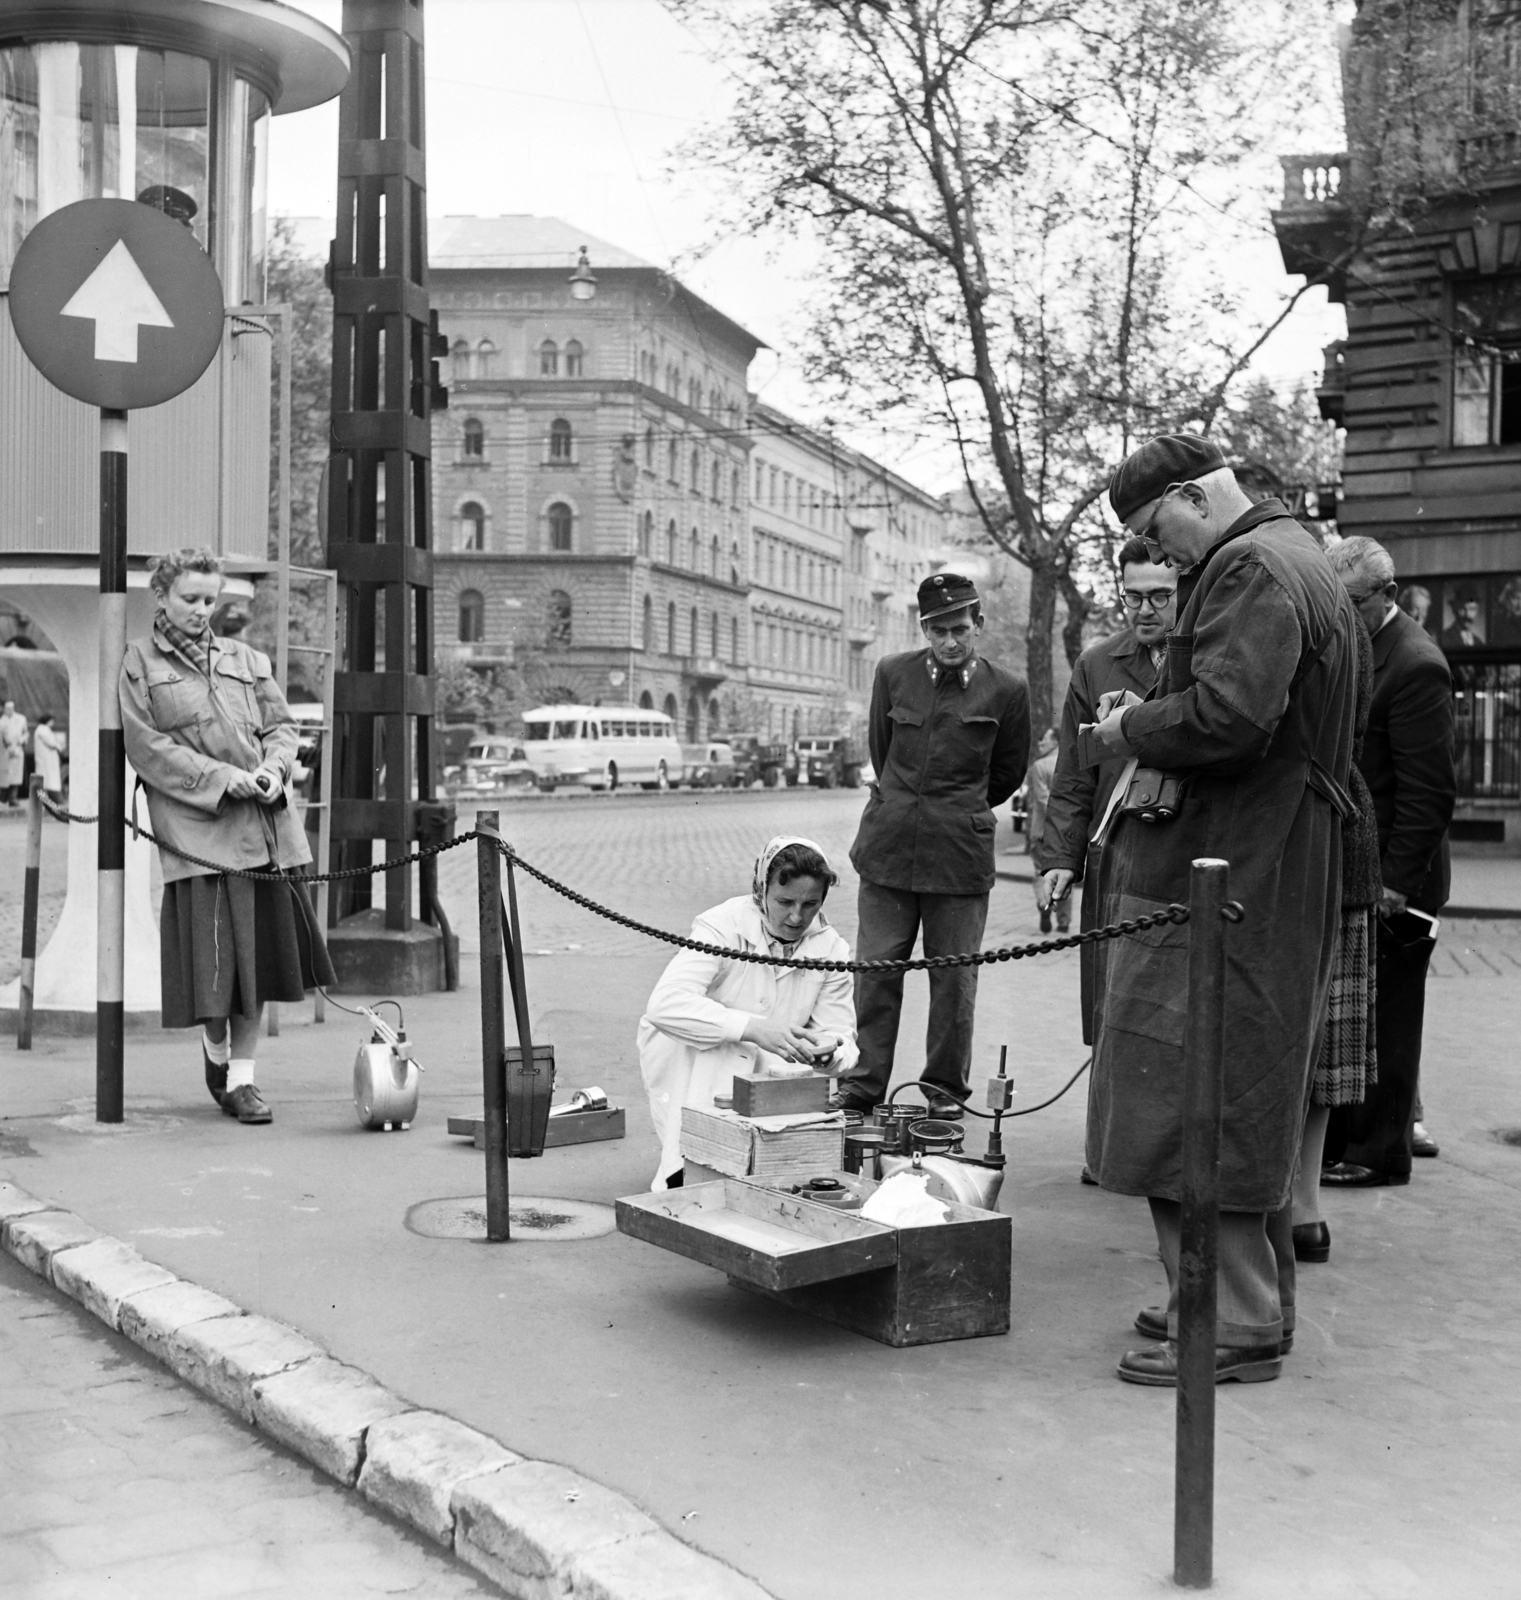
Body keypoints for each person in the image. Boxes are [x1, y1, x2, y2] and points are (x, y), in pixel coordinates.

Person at [1083, 435, 1359, 1388]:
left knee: (1186, 1085)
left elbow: (1231, 717)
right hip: (1268, 856)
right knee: (1237, 1081)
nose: (1167, 558)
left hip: (1230, 866)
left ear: (1194, 498)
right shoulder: (1303, 556)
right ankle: (1234, 1294)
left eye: (1159, 532)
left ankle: (1228, 1318)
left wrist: (1127, 727)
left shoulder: (1247, 564)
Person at [120, 547, 335, 1125]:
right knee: (215, 973)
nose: (202, 609)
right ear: (160, 596)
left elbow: (283, 727)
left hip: (265, 833)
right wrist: (226, 779)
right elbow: (147, 749)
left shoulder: (248, 658)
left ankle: (243, 1079)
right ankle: (215, 1048)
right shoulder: (138, 662)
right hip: (200, 837)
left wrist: (273, 768)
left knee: (257, 963)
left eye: (210, 599)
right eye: (190, 598)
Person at [840, 572, 1030, 1119]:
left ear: (979, 625)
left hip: (958, 859)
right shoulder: (892, 674)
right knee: (875, 975)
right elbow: (883, 750)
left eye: (961, 629)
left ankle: (944, 1094)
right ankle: (864, 1085)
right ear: (924, 628)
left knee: (953, 984)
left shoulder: (1006, 690)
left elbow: (1007, 775)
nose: (950, 641)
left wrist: (956, 809)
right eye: (939, 630)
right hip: (889, 853)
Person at [1322, 536, 1456, 1187]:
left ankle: (1381, 1154)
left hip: (1399, 882)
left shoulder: (1415, 665)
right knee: (1361, 1013)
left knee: (1390, 1020)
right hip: (1369, 871)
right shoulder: (1364, 647)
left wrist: (1395, 884)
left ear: (1389, 595)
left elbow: (1428, 793)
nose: (1343, 615)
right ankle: (1356, 1141)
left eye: (1353, 603)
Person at [638, 837, 857, 1189]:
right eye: (785, 902)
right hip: (695, 1053)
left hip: (771, 1063)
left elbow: (842, 1036)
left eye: (810, 904)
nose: (797, 916)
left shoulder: (832, 948)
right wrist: (753, 1028)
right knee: (697, 1167)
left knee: (778, 1176)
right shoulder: (722, 925)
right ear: (760, 891)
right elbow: (665, 1004)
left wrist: (829, 1051)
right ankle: (687, 1170)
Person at [1036, 537, 1175, 1036]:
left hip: (1179, 860)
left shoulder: (1204, 658)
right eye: (1132, 596)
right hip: (1113, 858)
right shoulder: (1096, 665)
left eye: (1160, 595)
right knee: (1109, 1007)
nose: (1144, 610)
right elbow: (1074, 775)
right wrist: (1059, 859)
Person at [1023, 729, 1065, 931]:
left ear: (1055, 742)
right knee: (1066, 869)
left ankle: (1044, 904)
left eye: (1044, 740)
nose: (1041, 744)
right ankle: (1064, 921)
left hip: (1042, 830)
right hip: (1065, 829)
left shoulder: (1039, 766)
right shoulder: (1068, 764)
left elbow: (1041, 799)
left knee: (1041, 870)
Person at [1439, 587, 1484, 651]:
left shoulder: (1478, 642)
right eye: (1462, 609)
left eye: (1472, 609)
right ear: (1454, 610)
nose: (1467, 614)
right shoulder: (1444, 638)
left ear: (1477, 611)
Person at [32, 713, 64, 801]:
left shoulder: (42, 729)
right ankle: (55, 799)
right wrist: (59, 746)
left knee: (48, 780)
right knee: (49, 781)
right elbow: (52, 742)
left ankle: (50, 799)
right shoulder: (43, 729)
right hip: (46, 760)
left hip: (47, 760)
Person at [0, 699, 26, 805]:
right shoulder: (2, 721)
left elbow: (25, 733)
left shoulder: (21, 719)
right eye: (7, 708)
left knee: (15, 776)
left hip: (17, 752)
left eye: (11, 708)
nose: (9, 710)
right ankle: (2, 800)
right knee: (4, 776)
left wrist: (21, 741)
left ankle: (13, 798)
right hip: (4, 752)